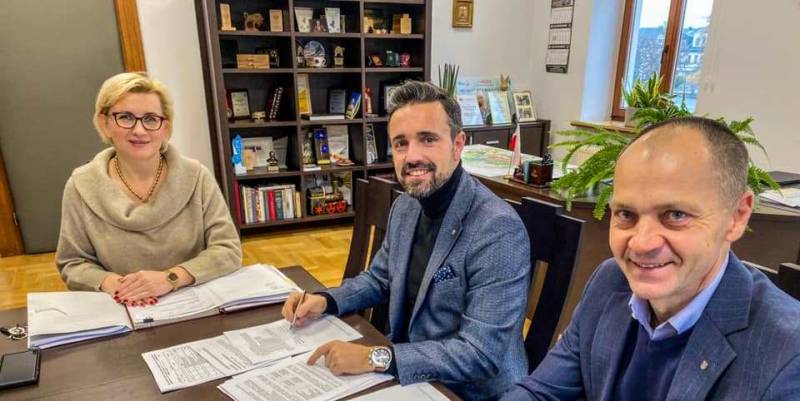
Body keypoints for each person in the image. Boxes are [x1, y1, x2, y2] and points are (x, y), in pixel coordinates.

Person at [502, 116, 800, 401]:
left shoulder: (786, 356)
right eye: (625, 214)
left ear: (737, 216)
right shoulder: (609, 282)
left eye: (676, 215)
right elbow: (542, 392)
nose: (642, 243)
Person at [282, 81, 531, 400]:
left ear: (458, 145)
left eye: (428, 139)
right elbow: (380, 279)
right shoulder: (405, 206)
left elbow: (479, 354)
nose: (412, 156)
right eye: (401, 143)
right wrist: (326, 301)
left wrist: (376, 357)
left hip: (470, 392)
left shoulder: (497, 229)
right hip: (410, 378)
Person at [56, 72, 241, 306]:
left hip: (195, 302)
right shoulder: (81, 185)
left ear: (166, 127)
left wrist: (170, 278)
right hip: (122, 305)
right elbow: (73, 262)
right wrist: (114, 284)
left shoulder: (197, 176)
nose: (140, 130)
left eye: (151, 119)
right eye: (125, 117)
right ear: (105, 123)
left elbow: (227, 250)